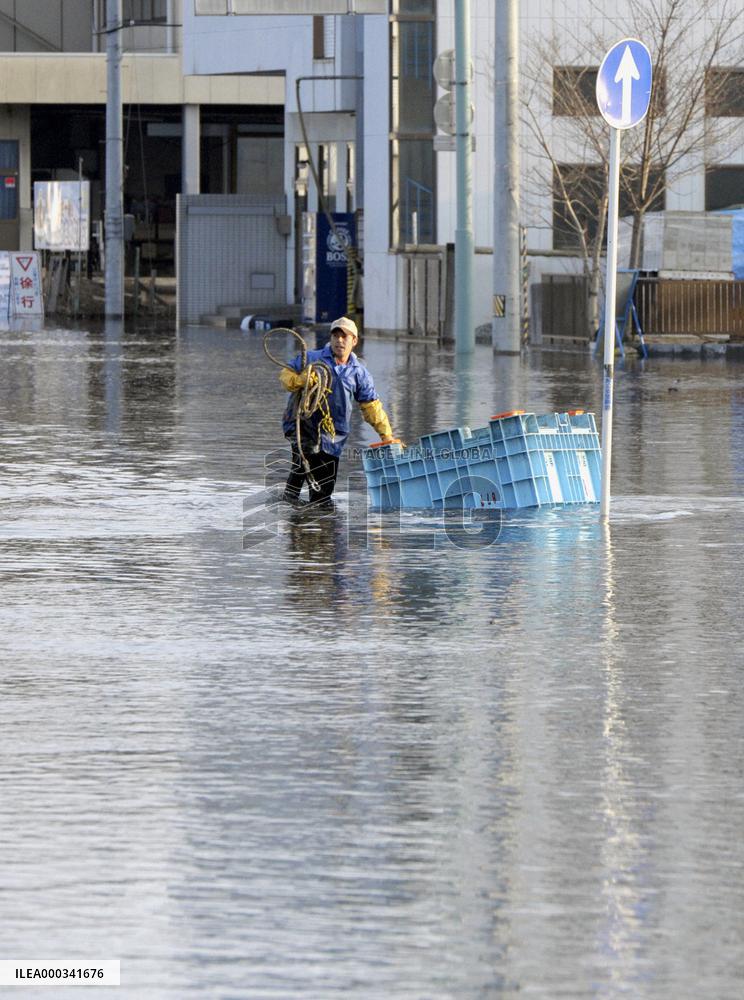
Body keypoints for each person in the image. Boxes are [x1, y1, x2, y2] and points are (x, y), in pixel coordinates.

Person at [279, 316, 395, 505]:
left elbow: (371, 406)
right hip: (302, 425)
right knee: (305, 464)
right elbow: (286, 375)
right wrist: (300, 380)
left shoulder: (359, 372)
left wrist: (386, 436)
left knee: (323, 491)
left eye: (345, 337)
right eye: (336, 336)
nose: (339, 340)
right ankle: (297, 518)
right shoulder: (312, 358)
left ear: (354, 341)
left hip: (334, 435)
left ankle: (306, 517)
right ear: (331, 338)